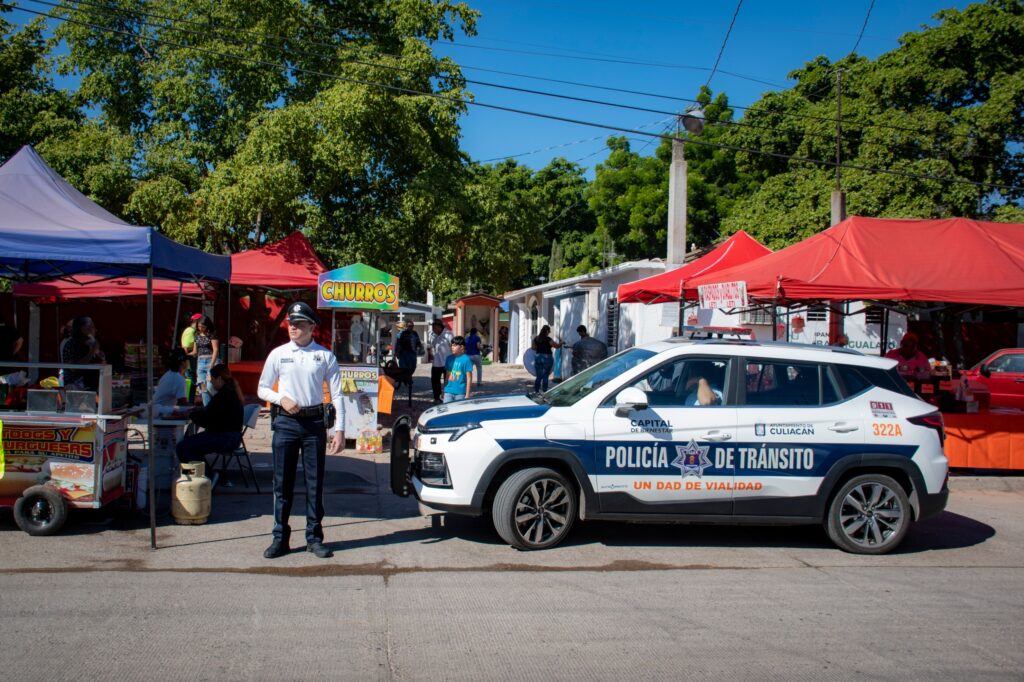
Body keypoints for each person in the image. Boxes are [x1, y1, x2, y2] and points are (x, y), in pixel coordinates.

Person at [258, 301, 344, 560]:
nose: (292, 327)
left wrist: (339, 430)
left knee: (314, 483)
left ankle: (314, 538)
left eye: (298, 324)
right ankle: (279, 538)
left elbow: (338, 395)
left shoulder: (325, 356)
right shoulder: (278, 354)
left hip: (314, 424)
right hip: (285, 422)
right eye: (290, 323)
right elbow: (262, 388)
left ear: (311, 327)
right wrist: (280, 398)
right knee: (282, 484)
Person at [175, 363, 245, 471]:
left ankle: (205, 476)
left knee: (183, 447)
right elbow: (212, 416)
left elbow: (208, 420)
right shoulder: (231, 393)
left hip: (225, 437)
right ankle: (204, 475)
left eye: (212, 379)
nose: (211, 382)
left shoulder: (223, 396)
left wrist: (191, 414)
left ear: (219, 379)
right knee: (188, 445)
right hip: (231, 436)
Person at [62, 316, 105, 390]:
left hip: (91, 387)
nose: (95, 330)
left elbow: (100, 362)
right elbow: (74, 368)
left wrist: (98, 354)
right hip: (75, 388)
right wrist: (92, 352)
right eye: (92, 327)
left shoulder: (90, 343)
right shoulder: (70, 344)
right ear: (83, 329)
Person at [192, 316, 220, 406]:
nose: (200, 328)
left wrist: (212, 364)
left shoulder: (212, 334)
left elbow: (215, 349)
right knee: (203, 388)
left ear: (207, 326)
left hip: (210, 360)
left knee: (210, 386)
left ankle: (220, 402)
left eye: (203, 326)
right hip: (200, 361)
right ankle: (207, 410)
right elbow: (195, 351)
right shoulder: (197, 335)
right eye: (199, 326)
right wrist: (185, 354)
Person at [153, 349, 190, 417]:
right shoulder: (179, 379)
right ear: (183, 363)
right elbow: (183, 402)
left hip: (157, 411)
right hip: (161, 414)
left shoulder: (168, 374)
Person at [427, 319, 452, 403]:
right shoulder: (432, 335)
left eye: (434, 327)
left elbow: (453, 346)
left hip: (447, 363)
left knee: (447, 381)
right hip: (436, 363)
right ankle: (437, 397)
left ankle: (446, 397)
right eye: (433, 327)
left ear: (439, 327)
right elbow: (432, 347)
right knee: (435, 381)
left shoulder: (448, 334)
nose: (433, 329)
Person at [443, 336, 474, 403]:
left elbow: (469, 378)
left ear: (461, 347)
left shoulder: (466, 360)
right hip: (448, 391)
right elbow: (446, 376)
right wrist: (443, 390)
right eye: (451, 345)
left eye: (454, 346)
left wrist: (467, 394)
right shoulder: (449, 358)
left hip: (460, 393)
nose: (452, 347)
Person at [532, 325, 561, 393]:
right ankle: (544, 392)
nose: (549, 333)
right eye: (549, 331)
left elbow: (533, 348)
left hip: (538, 357)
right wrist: (561, 343)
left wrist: (540, 348)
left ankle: (536, 391)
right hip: (547, 358)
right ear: (547, 331)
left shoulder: (536, 338)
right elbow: (556, 346)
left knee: (538, 376)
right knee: (545, 376)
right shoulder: (548, 339)